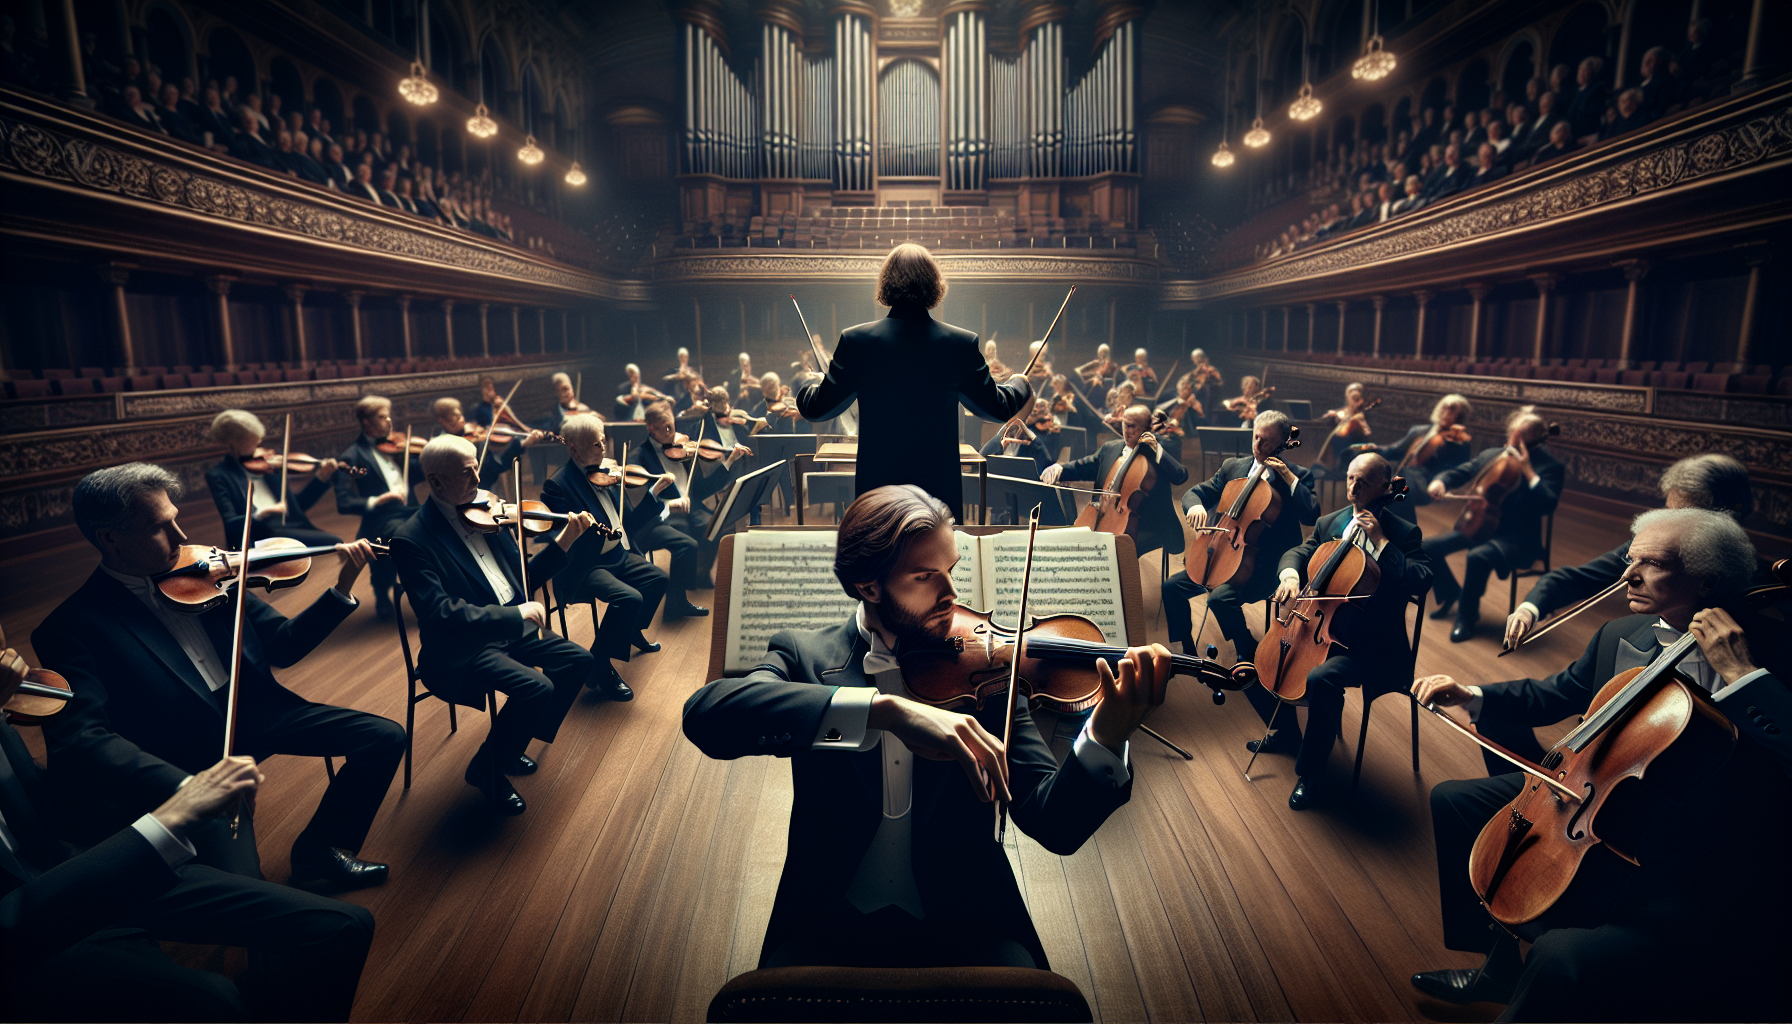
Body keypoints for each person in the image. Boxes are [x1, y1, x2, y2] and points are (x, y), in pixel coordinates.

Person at [682, 485, 1171, 969]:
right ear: (870, 586)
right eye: (924, 577)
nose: (952, 594)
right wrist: (886, 710)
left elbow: (1054, 824)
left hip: (967, 918)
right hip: (826, 916)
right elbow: (708, 713)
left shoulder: (989, 676)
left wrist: (1106, 735)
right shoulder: (803, 655)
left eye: (951, 571)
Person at [1408, 508, 1791, 1019]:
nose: (1627, 574)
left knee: (1563, 955)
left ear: (1708, 581)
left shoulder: (1775, 655)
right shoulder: (1621, 633)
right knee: (1456, 800)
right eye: (1630, 560)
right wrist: (1471, 693)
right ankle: (1498, 963)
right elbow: (1557, 692)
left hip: (1702, 836)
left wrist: (1743, 674)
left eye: (1650, 564)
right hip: (1600, 794)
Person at [35, 464, 402, 889]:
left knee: (382, 737)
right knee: (251, 885)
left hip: (258, 711)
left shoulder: (210, 574)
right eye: (160, 527)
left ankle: (319, 854)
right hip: (184, 752)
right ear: (110, 539)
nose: (182, 537)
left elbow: (284, 644)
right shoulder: (72, 627)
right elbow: (83, 737)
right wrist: (192, 786)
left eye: (176, 519)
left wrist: (341, 588)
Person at [0, 652, 375, 1023]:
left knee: (346, 927)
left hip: (82, 868)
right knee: (215, 999)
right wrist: (173, 815)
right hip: (28, 932)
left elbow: (45, 802)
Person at [387, 435, 602, 814]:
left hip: (509, 628)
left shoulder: (490, 513)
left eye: (476, 466)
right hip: (463, 646)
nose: (478, 476)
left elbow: (524, 579)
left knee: (578, 662)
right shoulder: (412, 540)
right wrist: (515, 614)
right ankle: (486, 769)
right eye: (467, 472)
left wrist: (565, 539)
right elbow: (440, 614)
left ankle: (511, 742)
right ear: (436, 482)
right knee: (536, 687)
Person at [796, 245, 1031, 521]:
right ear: (934, 286)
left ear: (886, 285)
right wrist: (1020, 383)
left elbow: (817, 407)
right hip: (937, 501)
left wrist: (805, 387)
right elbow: (997, 407)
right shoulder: (960, 344)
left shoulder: (856, 341)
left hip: (878, 498)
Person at [1250, 453, 1431, 808]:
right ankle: (1287, 733)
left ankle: (1310, 774)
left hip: (1372, 647)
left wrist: (1380, 542)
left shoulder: (1402, 532)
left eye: (1363, 481)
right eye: (1350, 478)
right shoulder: (1331, 522)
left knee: (1321, 679)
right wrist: (1289, 574)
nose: (1353, 487)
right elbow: (1299, 552)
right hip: (1323, 628)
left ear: (1384, 485)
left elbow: (1421, 580)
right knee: (1268, 658)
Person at [1505, 454, 1755, 648]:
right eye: (1670, 511)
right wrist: (1529, 609)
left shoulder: (1758, 588)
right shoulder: (1653, 549)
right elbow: (1576, 579)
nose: (1669, 523)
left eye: (1686, 515)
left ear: (1730, 513)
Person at [1161, 411, 1320, 664]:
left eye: (1267, 441)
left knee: (1219, 598)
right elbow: (1197, 492)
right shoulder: (1233, 467)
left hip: (1262, 567)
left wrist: (1289, 477)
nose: (1259, 445)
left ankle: (1247, 646)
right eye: (1256, 437)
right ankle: (1185, 646)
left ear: (1281, 443)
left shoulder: (1297, 475)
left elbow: (1311, 514)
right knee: (1172, 587)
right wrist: (1195, 506)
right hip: (1222, 551)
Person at [539, 414, 671, 686]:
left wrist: (653, 494)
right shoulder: (557, 486)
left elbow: (629, 524)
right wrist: (587, 530)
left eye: (603, 441)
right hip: (584, 567)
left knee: (658, 579)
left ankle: (631, 630)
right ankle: (598, 665)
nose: (603, 448)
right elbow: (561, 543)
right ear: (573, 447)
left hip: (617, 555)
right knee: (629, 598)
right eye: (595, 444)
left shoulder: (605, 474)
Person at [1424, 406, 1565, 643]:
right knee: (1426, 547)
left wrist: (1529, 472)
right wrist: (1440, 481)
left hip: (1516, 538)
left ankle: (1465, 618)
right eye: (1512, 435)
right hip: (1480, 526)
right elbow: (1461, 471)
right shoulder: (1493, 455)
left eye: (1520, 439)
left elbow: (1549, 504)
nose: (1513, 443)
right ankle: (1452, 593)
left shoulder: (1549, 468)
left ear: (1534, 441)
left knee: (1478, 556)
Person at [628, 400, 750, 616]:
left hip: (690, 509)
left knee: (717, 524)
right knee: (684, 538)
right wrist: (667, 504)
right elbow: (635, 504)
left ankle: (700, 574)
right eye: (665, 428)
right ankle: (676, 601)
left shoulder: (684, 453)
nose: (670, 433)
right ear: (651, 428)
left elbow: (702, 489)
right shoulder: (639, 458)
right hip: (660, 516)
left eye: (672, 427)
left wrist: (729, 461)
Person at [1043, 404, 1187, 558]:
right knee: (1079, 543)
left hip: (1145, 522)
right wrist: (1061, 469)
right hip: (1104, 512)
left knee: (1109, 551)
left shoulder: (1155, 454)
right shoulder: (1111, 448)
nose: (1127, 431)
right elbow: (1087, 466)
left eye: (1132, 426)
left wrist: (1156, 449)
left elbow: (1180, 476)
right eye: (1125, 424)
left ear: (1145, 428)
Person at [334, 394, 421, 620]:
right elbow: (344, 502)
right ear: (367, 422)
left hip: (411, 510)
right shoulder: (351, 456)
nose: (389, 421)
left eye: (389, 416)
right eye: (383, 417)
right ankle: (388, 592)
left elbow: (419, 472)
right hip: (382, 516)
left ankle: (431, 586)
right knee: (401, 536)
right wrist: (378, 500)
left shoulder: (396, 447)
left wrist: (428, 453)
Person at [205, 409, 341, 547]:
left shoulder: (270, 467)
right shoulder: (218, 475)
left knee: (334, 541)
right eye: (252, 441)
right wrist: (262, 514)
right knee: (332, 544)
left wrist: (321, 477)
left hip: (287, 528)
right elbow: (232, 523)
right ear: (234, 443)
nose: (259, 442)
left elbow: (298, 506)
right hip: (257, 535)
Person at [1347, 393, 1474, 524]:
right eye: (1445, 408)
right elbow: (1394, 450)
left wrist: (1441, 481)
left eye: (1452, 412)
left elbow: (1454, 471)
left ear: (1459, 417)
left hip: (1425, 483)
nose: (1446, 414)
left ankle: (1406, 531)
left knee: (1397, 488)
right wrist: (1370, 448)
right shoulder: (1419, 430)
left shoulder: (1459, 443)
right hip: (1403, 474)